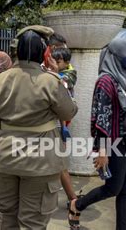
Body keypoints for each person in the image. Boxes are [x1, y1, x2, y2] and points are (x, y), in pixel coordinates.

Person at [0, 25, 78, 229]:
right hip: (40, 160)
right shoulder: (50, 81)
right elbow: (69, 112)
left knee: (5, 213)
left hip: (5, 155)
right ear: (44, 53)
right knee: (33, 220)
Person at [69, 37, 126, 230]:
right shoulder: (105, 81)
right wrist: (102, 151)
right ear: (116, 55)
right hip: (114, 142)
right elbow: (101, 117)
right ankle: (77, 204)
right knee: (113, 188)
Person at [47, 47, 80, 206]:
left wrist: (52, 73)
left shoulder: (69, 75)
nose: (54, 64)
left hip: (60, 124)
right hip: (55, 123)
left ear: (67, 63)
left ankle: (72, 199)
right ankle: (72, 197)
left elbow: (61, 86)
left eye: (58, 62)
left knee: (59, 163)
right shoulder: (54, 74)